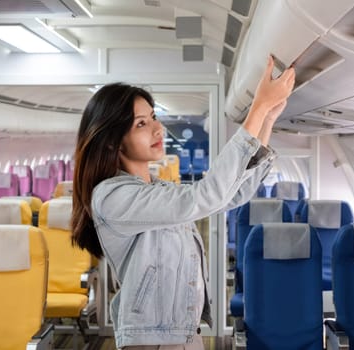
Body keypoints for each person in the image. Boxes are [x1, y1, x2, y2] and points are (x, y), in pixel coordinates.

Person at [71, 56, 295, 349]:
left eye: (153, 117)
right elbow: (207, 195)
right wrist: (258, 108)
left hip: (183, 332)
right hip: (152, 340)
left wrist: (267, 120)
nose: (157, 129)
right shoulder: (112, 196)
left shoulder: (157, 189)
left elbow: (231, 195)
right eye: (141, 123)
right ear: (113, 141)